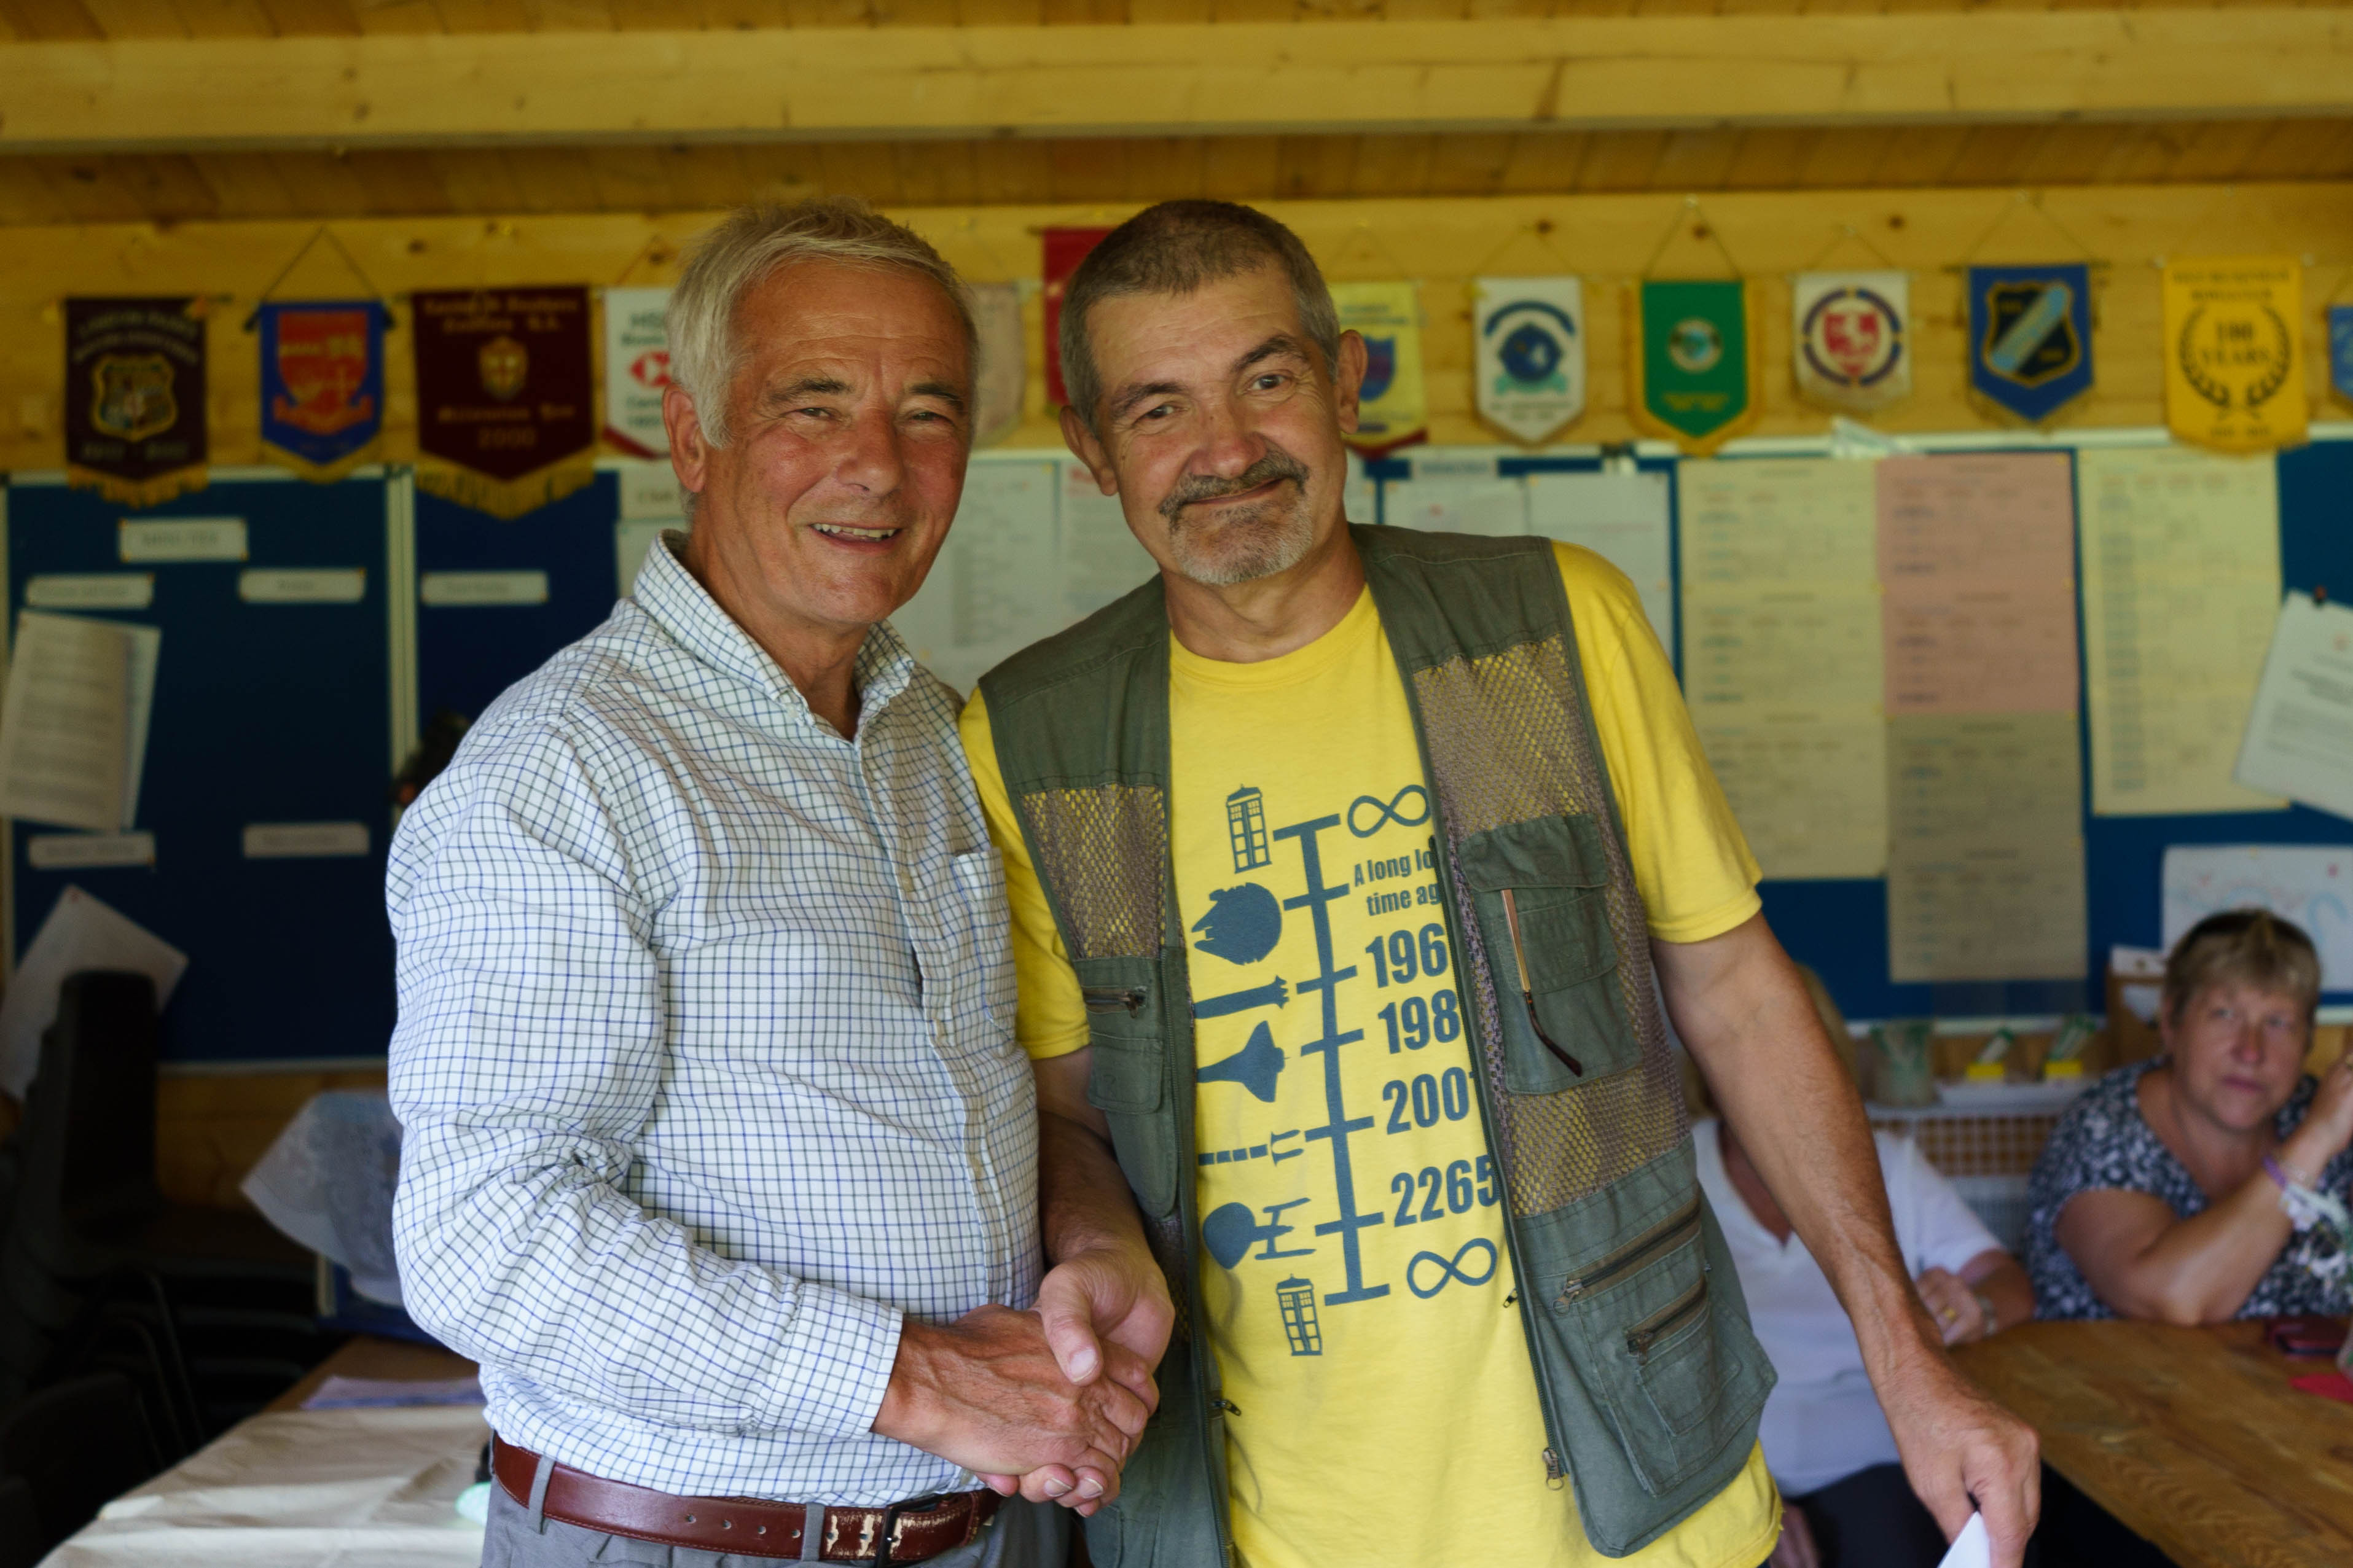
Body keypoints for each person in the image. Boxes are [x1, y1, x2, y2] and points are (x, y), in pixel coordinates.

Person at [957, 199, 2038, 1568]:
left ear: (1349, 382)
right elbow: (1068, 1110)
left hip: (1648, 1501)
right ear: (1090, 452)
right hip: (1266, 1524)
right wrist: (1095, 1247)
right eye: (1158, 407)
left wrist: (1910, 1362)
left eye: (1267, 379)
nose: (1224, 450)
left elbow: (1741, 995)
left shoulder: (1555, 625)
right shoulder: (1030, 740)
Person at [388, 198, 1148, 1568]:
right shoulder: (561, 770)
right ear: (693, 434)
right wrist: (915, 1377)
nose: (878, 465)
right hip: (706, 1542)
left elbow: (1013, 1101)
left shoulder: (931, 733)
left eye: (929, 412)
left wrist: (1090, 1246)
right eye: (814, 403)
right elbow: (480, 1234)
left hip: (997, 1526)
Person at [1697, 1096, 2032, 1568]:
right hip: (1719, 1478)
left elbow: (2007, 1281)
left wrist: (1977, 1307)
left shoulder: (1890, 1163)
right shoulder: (1672, 1170)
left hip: (1881, 1466)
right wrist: (1738, 1500)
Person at [2028, 909, 2353, 1324]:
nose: (2250, 1050)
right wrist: (2315, 1140)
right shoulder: (2102, 1128)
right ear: (2170, 1023)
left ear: (2307, 1040)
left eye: (2278, 1022)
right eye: (2224, 1014)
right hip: (2123, 1386)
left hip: (2292, 1386)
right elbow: (2175, 1298)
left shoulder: (2317, 1105)